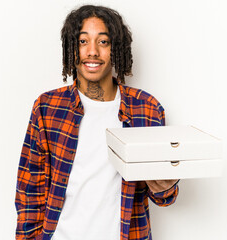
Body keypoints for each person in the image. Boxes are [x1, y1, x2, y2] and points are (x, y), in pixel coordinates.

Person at [15, 5, 179, 240]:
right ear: (71, 48)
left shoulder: (146, 108)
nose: (92, 51)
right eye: (83, 41)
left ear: (116, 49)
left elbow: (165, 197)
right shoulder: (47, 107)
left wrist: (166, 186)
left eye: (103, 42)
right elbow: (29, 191)